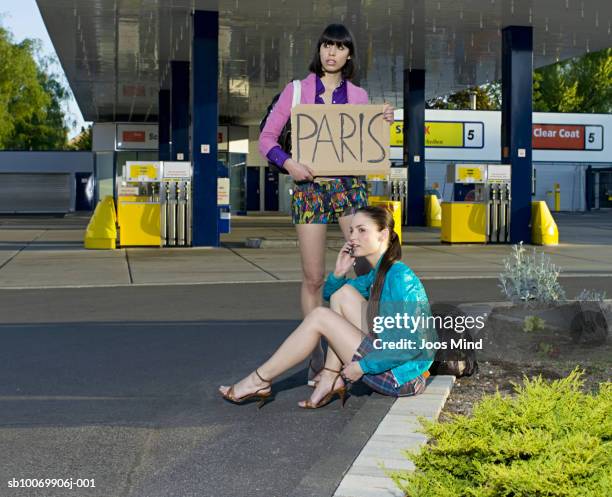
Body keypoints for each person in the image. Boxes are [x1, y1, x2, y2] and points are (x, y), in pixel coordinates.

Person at [258, 23, 395, 382]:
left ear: (349, 55)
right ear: (319, 50)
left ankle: (370, 346)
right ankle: (316, 354)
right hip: (309, 188)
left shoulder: (360, 97)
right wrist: (289, 164)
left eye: (338, 47)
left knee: (369, 268)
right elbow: (266, 140)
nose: (330, 53)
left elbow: (369, 145)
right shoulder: (296, 91)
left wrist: (383, 123)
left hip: (348, 188)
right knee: (314, 277)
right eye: (326, 46)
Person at [219, 206, 436, 409]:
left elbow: (412, 344)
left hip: (404, 378)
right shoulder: (378, 272)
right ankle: (330, 378)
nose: (352, 237)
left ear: (383, 234)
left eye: (362, 230)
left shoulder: (400, 277)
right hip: (391, 361)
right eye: (351, 231)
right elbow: (333, 298)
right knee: (342, 295)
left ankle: (260, 379)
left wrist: (362, 366)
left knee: (320, 317)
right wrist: (339, 272)